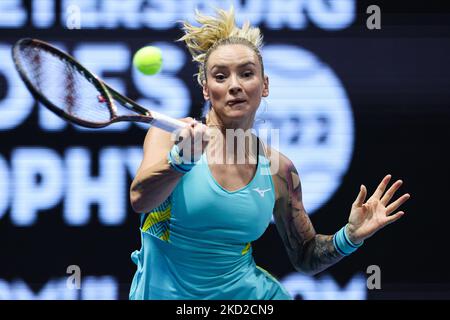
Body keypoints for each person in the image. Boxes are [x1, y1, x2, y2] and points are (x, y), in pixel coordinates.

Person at [128, 7, 410, 300]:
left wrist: (348, 237)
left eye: (247, 74)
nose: (235, 85)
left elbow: (305, 254)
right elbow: (140, 199)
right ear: (206, 90)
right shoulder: (170, 136)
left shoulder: (278, 170)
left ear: (264, 85)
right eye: (221, 76)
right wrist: (181, 160)